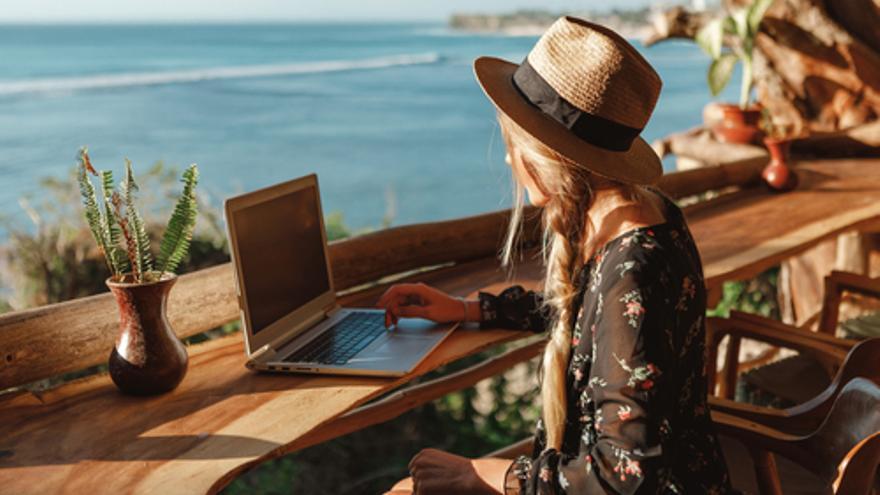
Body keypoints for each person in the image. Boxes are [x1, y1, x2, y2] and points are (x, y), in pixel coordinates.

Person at [379, 16, 734, 495]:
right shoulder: (645, 214)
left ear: (546, 154)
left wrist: (488, 473)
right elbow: (594, 320)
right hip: (684, 474)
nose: (509, 159)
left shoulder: (634, 271)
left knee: (407, 489)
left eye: (514, 145)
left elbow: (624, 475)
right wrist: (468, 309)